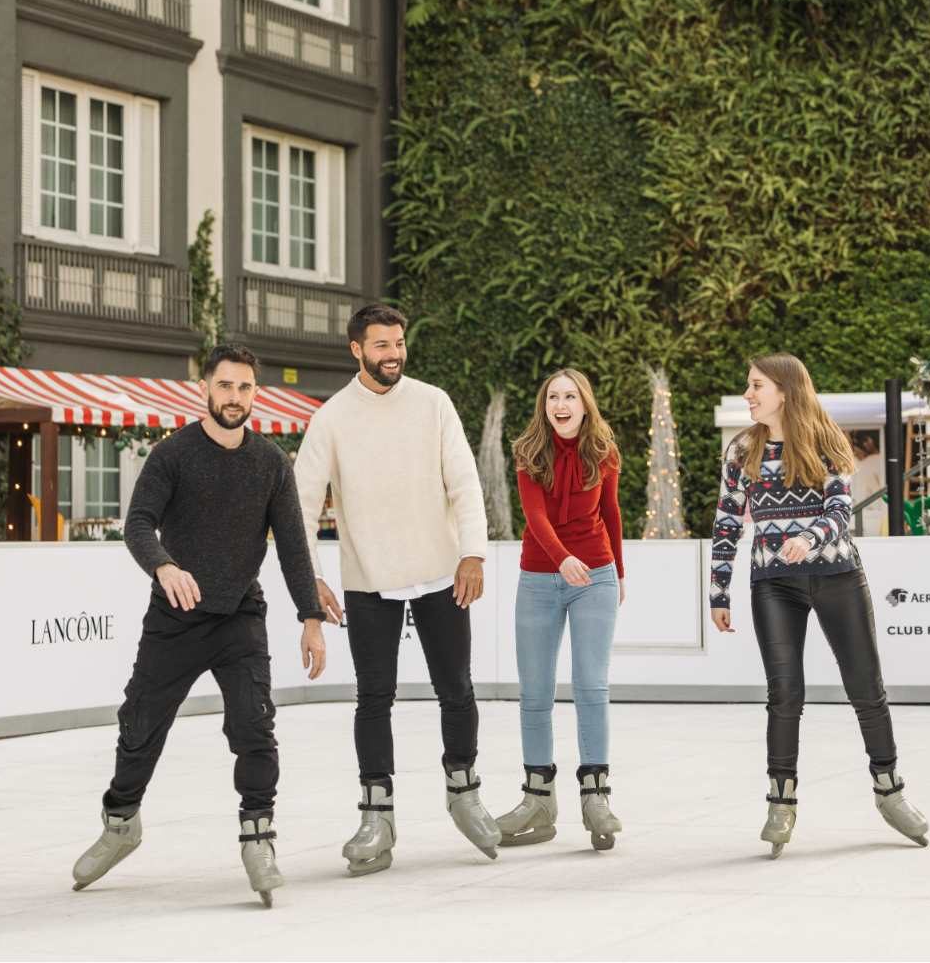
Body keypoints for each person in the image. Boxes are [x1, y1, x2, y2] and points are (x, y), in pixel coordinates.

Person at [71, 345, 326, 906]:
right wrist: (163, 565)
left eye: (245, 388)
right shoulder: (173, 455)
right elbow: (138, 524)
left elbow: (292, 548)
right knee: (139, 725)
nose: (236, 397)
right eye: (226, 386)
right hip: (176, 618)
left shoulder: (271, 464)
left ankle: (259, 837)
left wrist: (311, 616)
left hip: (240, 616)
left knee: (254, 727)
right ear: (205, 390)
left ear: (255, 394)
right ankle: (121, 824)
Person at [294, 304, 501, 875]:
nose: (393, 354)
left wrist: (473, 552)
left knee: (456, 688)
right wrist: (310, 578)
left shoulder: (433, 402)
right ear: (356, 349)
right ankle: (376, 815)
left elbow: (464, 481)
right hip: (368, 579)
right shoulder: (332, 417)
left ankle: (464, 793)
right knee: (373, 698)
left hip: (440, 571)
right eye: (381, 345)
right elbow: (301, 506)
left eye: (399, 343)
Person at [710, 353, 929, 858]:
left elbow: (838, 511)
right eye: (748, 386)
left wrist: (807, 540)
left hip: (836, 576)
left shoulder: (826, 440)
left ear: (784, 389)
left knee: (865, 687)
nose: (748, 394)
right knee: (784, 692)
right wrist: (719, 592)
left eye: (756, 385)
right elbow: (726, 523)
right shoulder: (742, 450)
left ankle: (889, 790)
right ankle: (780, 801)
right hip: (773, 583)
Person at [496, 368, 625, 851]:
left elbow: (611, 514)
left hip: (595, 576)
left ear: (584, 403)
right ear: (544, 404)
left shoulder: (603, 453)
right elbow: (535, 516)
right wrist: (561, 558)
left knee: (591, 685)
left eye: (570, 396)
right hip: (538, 577)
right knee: (535, 693)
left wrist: (620, 573)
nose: (561, 404)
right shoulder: (528, 453)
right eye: (553, 396)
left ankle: (596, 795)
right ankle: (538, 798)